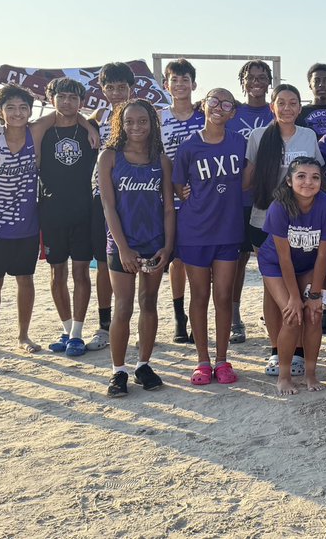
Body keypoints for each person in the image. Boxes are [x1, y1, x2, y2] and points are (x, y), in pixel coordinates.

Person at [96, 98, 175, 397]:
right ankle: (118, 371)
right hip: (122, 245)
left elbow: (169, 208)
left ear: (152, 124)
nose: (136, 126)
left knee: (149, 303)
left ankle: (143, 364)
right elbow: (108, 206)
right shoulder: (110, 157)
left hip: (154, 244)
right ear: (121, 123)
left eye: (142, 121)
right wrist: (123, 248)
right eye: (129, 121)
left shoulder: (161, 160)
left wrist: (167, 248)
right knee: (123, 308)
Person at [246, 84, 325, 375]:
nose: (288, 107)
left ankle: (300, 351)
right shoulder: (258, 137)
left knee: (300, 285)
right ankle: (277, 350)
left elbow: (318, 175)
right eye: (282, 102)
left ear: (300, 108)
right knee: (273, 288)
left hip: (301, 222)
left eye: (293, 102)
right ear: (272, 106)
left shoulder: (309, 136)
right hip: (264, 220)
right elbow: (247, 179)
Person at [173, 88, 247, 386]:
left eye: (226, 103)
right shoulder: (188, 146)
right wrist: (184, 193)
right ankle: (202, 360)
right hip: (195, 232)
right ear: (203, 106)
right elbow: (179, 186)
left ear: (232, 112)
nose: (219, 107)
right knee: (200, 296)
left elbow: (250, 176)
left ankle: (222, 359)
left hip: (228, 231)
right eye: (213, 101)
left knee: (224, 297)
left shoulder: (239, 143)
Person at [0, 85, 50, 358]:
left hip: (27, 223)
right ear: (0, 112)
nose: (17, 113)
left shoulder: (36, 133)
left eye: (23, 107)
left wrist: (90, 128)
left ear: (30, 111)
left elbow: (70, 114)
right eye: (10, 107)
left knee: (25, 279)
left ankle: (23, 335)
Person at [257, 158, 326, 395]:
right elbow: (284, 259)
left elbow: (324, 256)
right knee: (292, 315)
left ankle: (310, 373)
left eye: (315, 177)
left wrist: (314, 295)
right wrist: (294, 297)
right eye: (301, 176)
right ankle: (284, 376)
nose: (308, 182)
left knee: (313, 314)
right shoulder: (279, 207)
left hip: (309, 265)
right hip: (275, 264)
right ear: (289, 181)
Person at [38, 78, 103, 357]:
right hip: (51, 212)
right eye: (61, 97)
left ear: (82, 101)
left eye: (73, 98)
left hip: (82, 210)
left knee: (80, 273)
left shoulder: (90, 130)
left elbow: (96, 122)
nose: (67, 102)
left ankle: (77, 332)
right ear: (51, 99)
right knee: (56, 273)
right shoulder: (42, 130)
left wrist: (88, 124)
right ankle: (66, 329)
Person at [83, 62, 137, 354]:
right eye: (111, 87)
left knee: (140, 259)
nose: (117, 93)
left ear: (132, 88)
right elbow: (70, 116)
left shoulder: (142, 115)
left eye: (122, 87)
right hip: (102, 194)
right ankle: (105, 325)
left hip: (138, 194)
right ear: (103, 90)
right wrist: (85, 124)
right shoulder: (98, 116)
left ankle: (140, 321)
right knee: (104, 261)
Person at [158, 58, 206, 344]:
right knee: (176, 260)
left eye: (184, 79)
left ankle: (198, 314)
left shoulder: (203, 114)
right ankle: (179, 318)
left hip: (201, 198)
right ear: (167, 85)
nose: (179, 84)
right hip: (169, 197)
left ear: (194, 84)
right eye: (174, 80)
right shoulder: (159, 117)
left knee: (196, 262)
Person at [229, 60, 276, 342]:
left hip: (269, 200)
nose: (256, 81)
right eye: (251, 77)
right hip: (238, 198)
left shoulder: (278, 112)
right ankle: (235, 317)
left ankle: (273, 311)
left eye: (262, 77)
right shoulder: (233, 112)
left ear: (270, 81)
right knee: (238, 259)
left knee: (270, 259)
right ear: (243, 82)